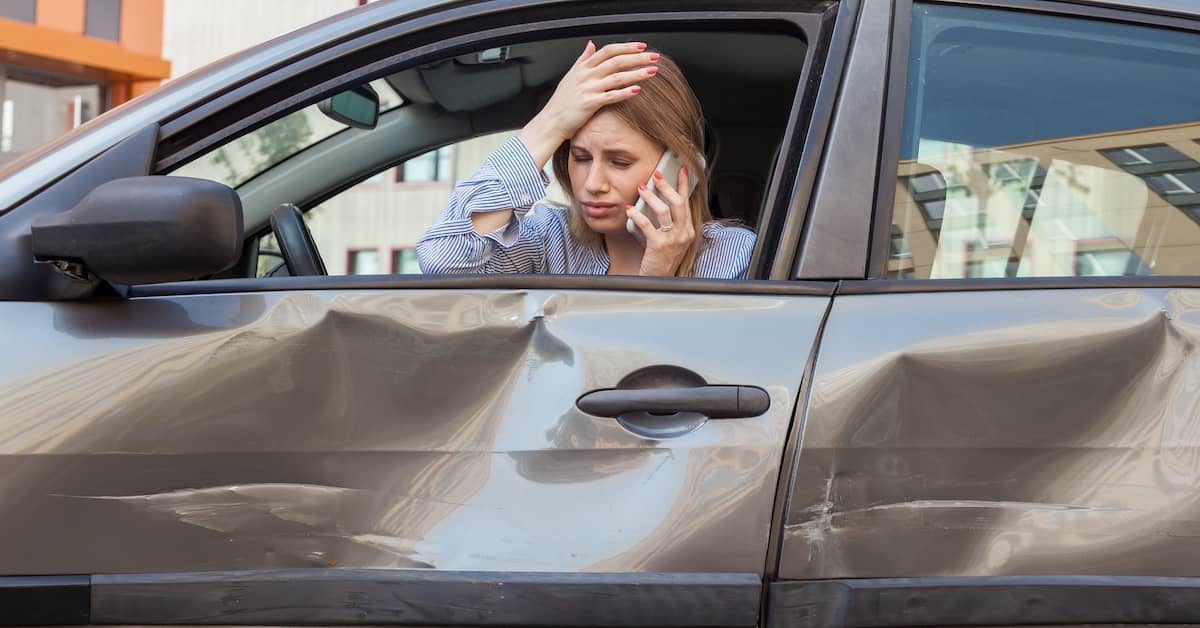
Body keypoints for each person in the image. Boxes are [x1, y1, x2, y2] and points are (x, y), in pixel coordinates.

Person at [416, 41, 755, 278]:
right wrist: (549, 123)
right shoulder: (550, 241)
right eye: (580, 157)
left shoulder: (733, 258)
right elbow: (445, 260)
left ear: (679, 168)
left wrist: (657, 282)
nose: (592, 184)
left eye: (619, 162)